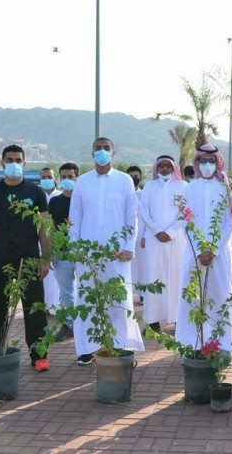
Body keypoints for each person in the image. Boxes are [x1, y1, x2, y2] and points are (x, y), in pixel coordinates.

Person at [68, 138, 143, 365]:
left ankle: (121, 347)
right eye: (98, 149)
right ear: (92, 152)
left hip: (116, 252)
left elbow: (132, 216)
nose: (102, 152)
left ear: (113, 152)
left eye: (106, 149)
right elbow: (75, 218)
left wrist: (128, 247)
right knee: (86, 298)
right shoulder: (82, 181)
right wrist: (76, 247)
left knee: (118, 299)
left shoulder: (124, 180)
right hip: (87, 253)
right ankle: (86, 348)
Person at [0, 145, 50, 371]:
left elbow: (44, 227)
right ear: (2, 163)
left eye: (18, 160)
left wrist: (45, 258)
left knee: (35, 309)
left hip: (29, 260)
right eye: (9, 160)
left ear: (24, 163)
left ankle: (39, 356)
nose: (13, 164)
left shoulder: (35, 192)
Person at [175, 144, 232, 351]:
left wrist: (214, 250)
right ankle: (191, 345)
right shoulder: (189, 188)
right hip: (193, 253)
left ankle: (224, 346)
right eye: (204, 161)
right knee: (192, 298)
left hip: (219, 254)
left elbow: (231, 222)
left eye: (212, 161)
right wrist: (200, 250)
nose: (207, 165)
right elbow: (186, 222)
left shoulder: (227, 189)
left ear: (218, 162)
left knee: (221, 297)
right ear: (197, 163)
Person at [138, 155, 187, 332]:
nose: (165, 169)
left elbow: (186, 212)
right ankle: (152, 322)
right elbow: (143, 211)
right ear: (157, 168)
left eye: (168, 166)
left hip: (176, 239)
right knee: (154, 276)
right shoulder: (149, 187)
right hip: (155, 239)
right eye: (161, 166)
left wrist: (171, 232)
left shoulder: (183, 186)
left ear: (174, 168)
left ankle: (178, 320)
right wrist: (157, 231)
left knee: (176, 277)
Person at [48, 162, 79, 341]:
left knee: (84, 290)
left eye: (70, 177)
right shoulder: (55, 201)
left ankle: (85, 326)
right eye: (64, 177)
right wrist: (51, 250)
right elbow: (50, 227)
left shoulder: (82, 200)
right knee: (65, 292)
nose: (67, 180)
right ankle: (68, 325)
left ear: (77, 178)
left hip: (82, 253)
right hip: (62, 253)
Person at [39, 167, 61, 313]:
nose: (47, 179)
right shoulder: (36, 195)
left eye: (49, 177)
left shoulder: (60, 196)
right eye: (44, 177)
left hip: (57, 240)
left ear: (55, 178)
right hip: (40, 241)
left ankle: (58, 306)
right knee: (42, 275)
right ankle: (44, 306)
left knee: (57, 275)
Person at [126, 165, 147, 305]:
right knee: (128, 267)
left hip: (142, 236)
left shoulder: (144, 194)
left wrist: (145, 235)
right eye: (131, 176)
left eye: (136, 176)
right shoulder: (123, 194)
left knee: (142, 267)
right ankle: (126, 295)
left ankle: (143, 295)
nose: (134, 178)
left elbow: (147, 216)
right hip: (127, 236)